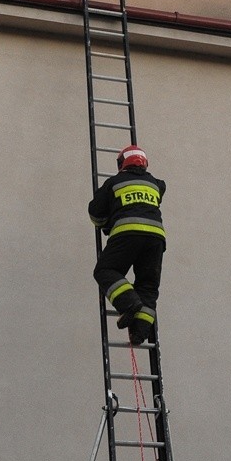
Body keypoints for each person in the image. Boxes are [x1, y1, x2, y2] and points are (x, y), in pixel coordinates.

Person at [89, 144, 166, 345]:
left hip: (127, 235)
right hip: (156, 239)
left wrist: (106, 224)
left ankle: (129, 303)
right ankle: (140, 332)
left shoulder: (114, 183)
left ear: (122, 164)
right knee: (148, 286)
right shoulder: (156, 184)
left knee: (105, 270)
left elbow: (96, 214)